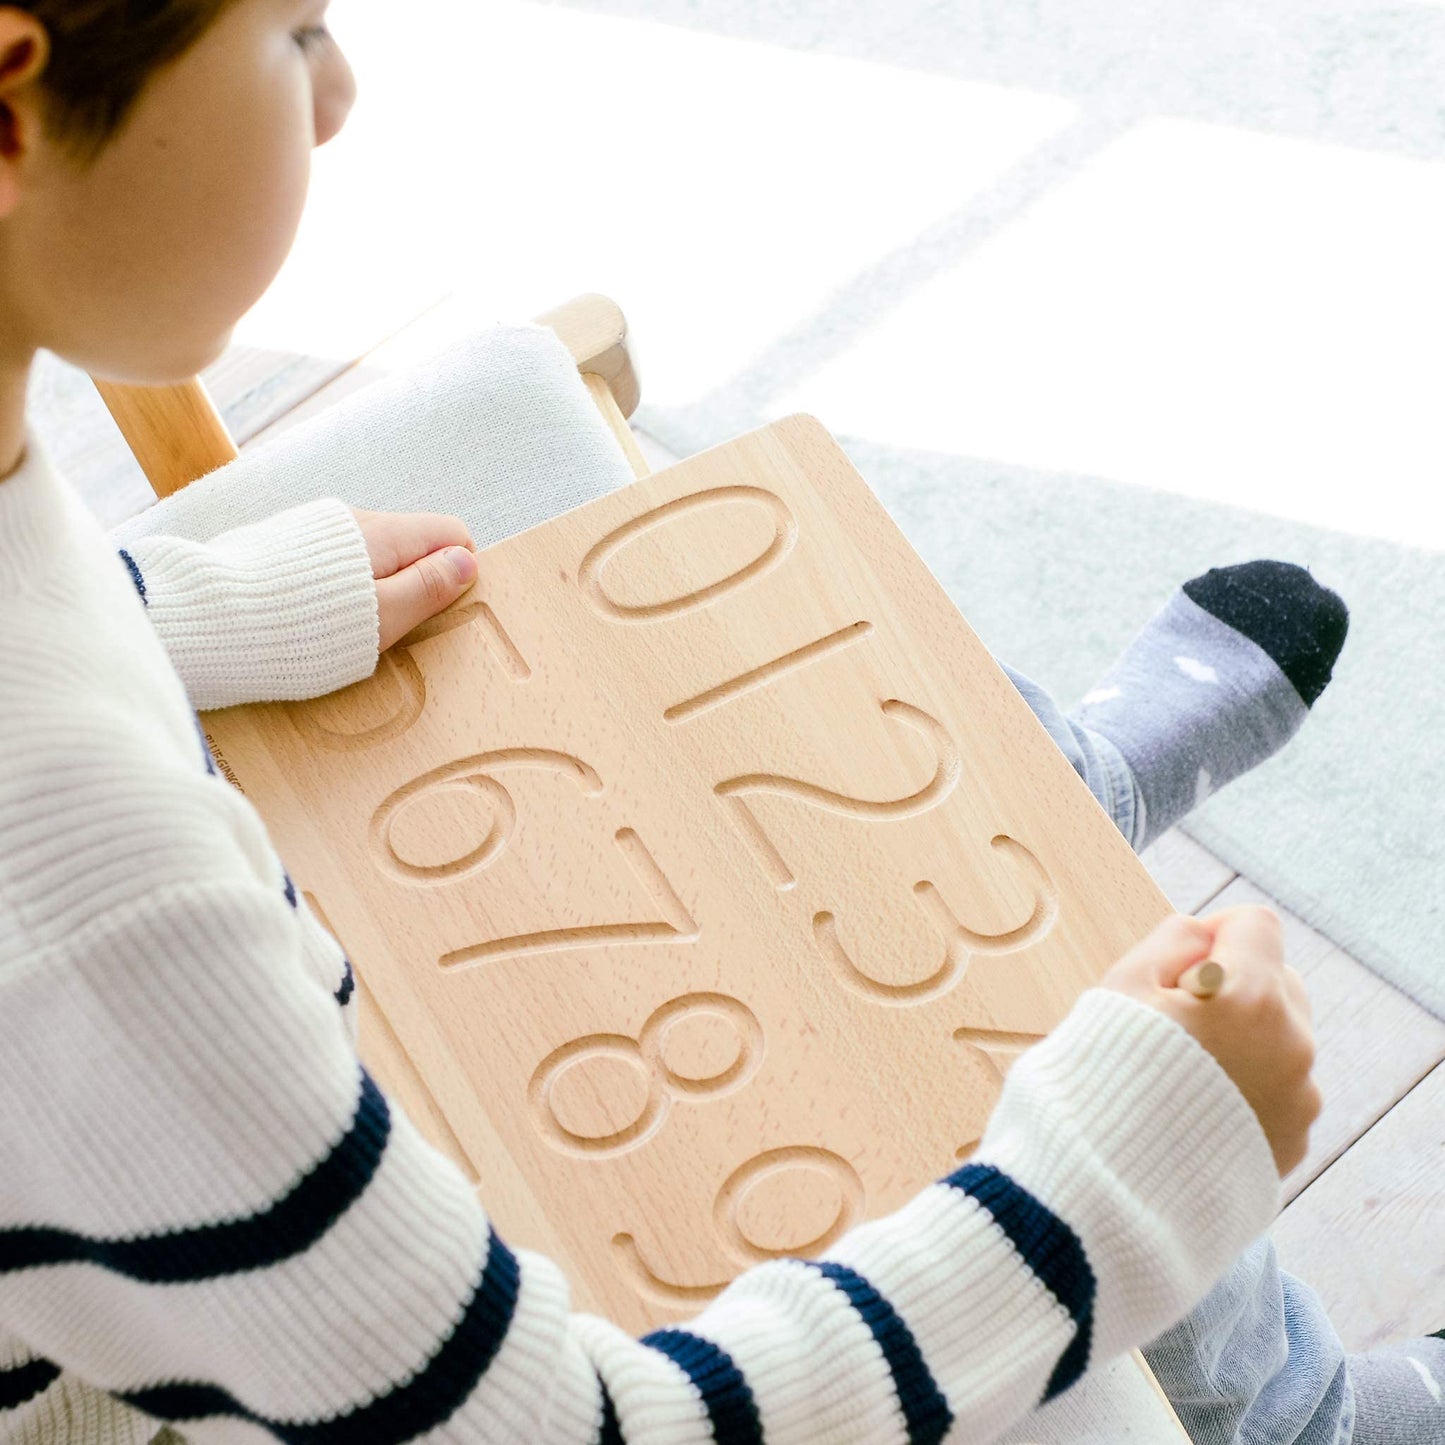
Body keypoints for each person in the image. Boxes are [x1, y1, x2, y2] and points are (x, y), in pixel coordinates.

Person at [0, 2, 1434, 1441]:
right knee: (1059, 1039)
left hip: (192, 1186)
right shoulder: (104, 918)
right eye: (296, 33)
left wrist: (168, 614)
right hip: (238, 1346)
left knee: (827, 725)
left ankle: (1046, 799)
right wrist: (1105, 1199)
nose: (338, 97)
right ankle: (1290, 1410)